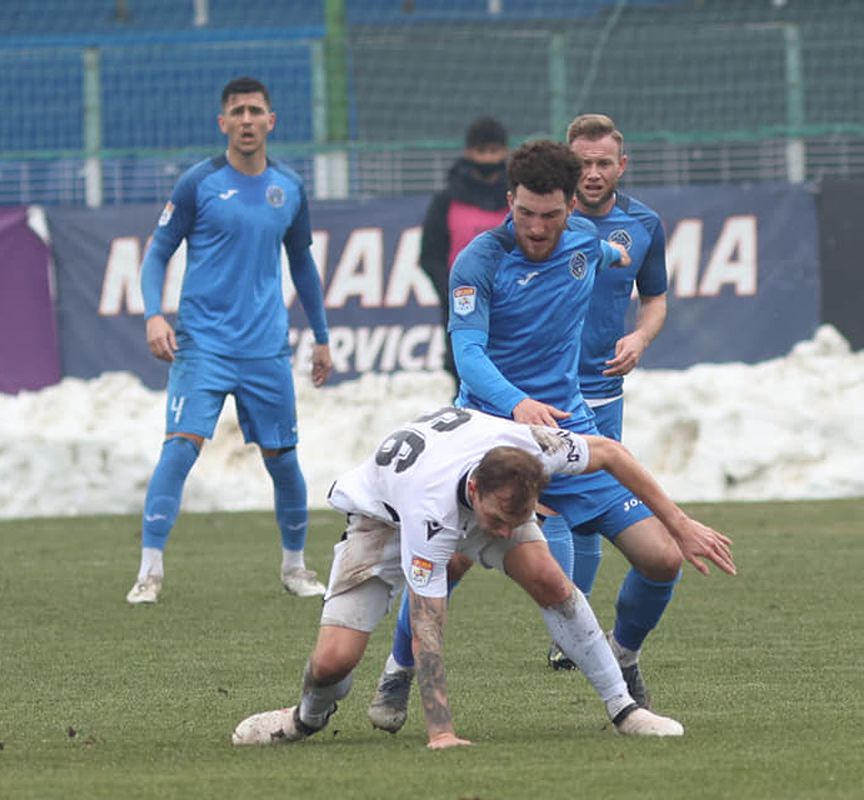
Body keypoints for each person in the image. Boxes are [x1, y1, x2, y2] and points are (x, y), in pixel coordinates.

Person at [365, 140, 734, 733]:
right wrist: (517, 403)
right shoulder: (479, 261)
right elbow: (467, 351)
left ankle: (624, 656)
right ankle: (399, 668)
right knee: (449, 566)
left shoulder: (591, 242)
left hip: (570, 427)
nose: (537, 228)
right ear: (509, 200)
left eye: (551, 215)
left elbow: (632, 262)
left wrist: (638, 327)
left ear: (571, 209)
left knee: (662, 558)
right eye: (525, 213)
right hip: (487, 432)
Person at [231, 407, 734, 748]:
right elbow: (429, 619)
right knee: (333, 662)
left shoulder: (534, 449)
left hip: (468, 492)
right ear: (475, 488)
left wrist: (680, 524)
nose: (502, 532)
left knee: (552, 582)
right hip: (382, 522)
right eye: (498, 522)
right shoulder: (429, 509)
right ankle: (305, 718)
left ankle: (625, 710)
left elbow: (612, 453)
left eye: (516, 520)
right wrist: (441, 731)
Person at [125, 76, 333, 605]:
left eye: (255, 110)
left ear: (271, 121)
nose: (246, 119)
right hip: (203, 346)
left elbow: (303, 264)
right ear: (223, 123)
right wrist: (154, 315)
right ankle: (149, 572)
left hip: (265, 348)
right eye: (236, 111)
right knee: (178, 451)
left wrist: (323, 337)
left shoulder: (289, 187)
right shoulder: (199, 183)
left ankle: (295, 567)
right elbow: (156, 253)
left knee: (283, 459)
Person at [544, 113, 670, 670]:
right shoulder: (543, 219)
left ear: (622, 166)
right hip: (544, 390)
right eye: (583, 164)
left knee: (591, 510)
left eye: (603, 164)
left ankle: (576, 629)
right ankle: (570, 628)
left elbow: (655, 297)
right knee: (551, 507)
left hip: (602, 389)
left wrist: (640, 338)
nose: (592, 174)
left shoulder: (644, 224)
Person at [418, 117, 510, 391]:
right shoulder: (447, 200)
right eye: (482, 152)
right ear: (469, 153)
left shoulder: (517, 196)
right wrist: (452, 293)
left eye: (494, 152)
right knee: (468, 382)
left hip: (514, 302)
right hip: (464, 308)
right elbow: (430, 255)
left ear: (505, 153)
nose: (488, 158)